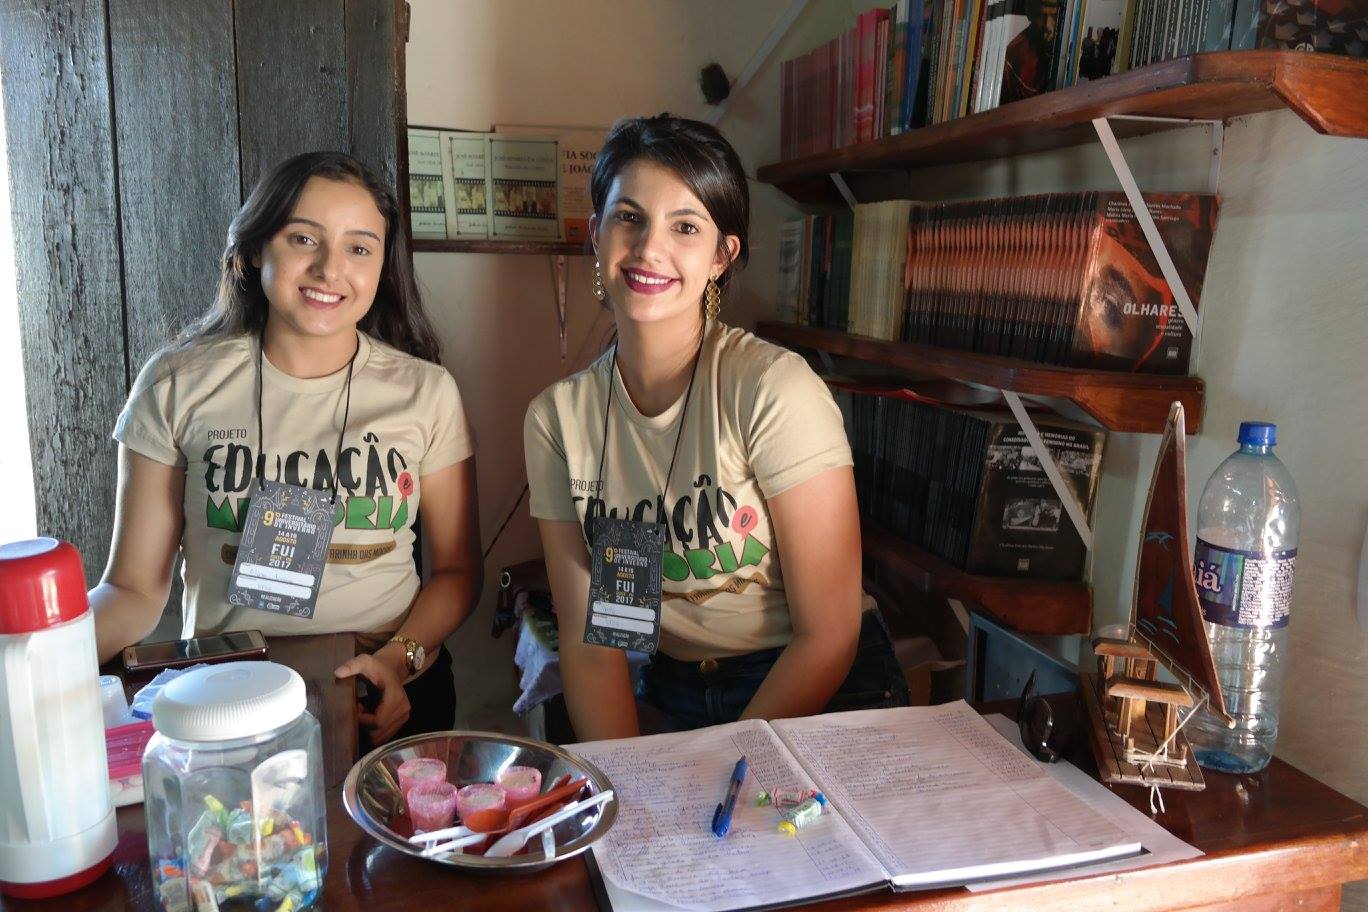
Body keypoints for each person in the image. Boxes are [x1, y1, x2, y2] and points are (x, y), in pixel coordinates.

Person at [524, 115, 909, 741]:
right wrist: (631, 779)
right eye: (629, 217)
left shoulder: (772, 388)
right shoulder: (558, 420)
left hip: (820, 685)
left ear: (721, 256)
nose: (649, 248)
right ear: (595, 233)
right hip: (677, 690)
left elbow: (828, 633)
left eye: (685, 227)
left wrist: (725, 761)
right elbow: (596, 643)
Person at [91, 152, 482, 746]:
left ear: (382, 266)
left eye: (359, 248)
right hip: (229, 700)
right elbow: (133, 589)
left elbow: (456, 572)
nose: (330, 269)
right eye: (304, 239)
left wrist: (396, 661)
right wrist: (37, 657)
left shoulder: (426, 391)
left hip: (384, 691)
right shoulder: (176, 385)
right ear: (254, 249)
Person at [1001, 0, 1061, 104]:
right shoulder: (1014, 58)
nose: (1047, 25)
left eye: (1054, 16)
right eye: (1040, 15)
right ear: (1032, 13)